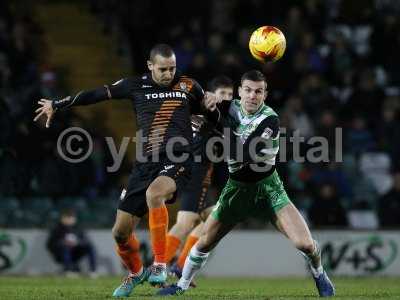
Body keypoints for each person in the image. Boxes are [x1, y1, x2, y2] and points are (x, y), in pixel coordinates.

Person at [34, 44, 218, 297]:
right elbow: (98, 94)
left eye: (172, 68)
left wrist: (214, 103)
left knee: (155, 194)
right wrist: (58, 104)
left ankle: (160, 265)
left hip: (178, 158)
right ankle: (136, 272)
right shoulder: (135, 85)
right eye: (163, 69)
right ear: (150, 66)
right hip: (145, 164)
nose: (168, 74)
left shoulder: (188, 86)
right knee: (120, 233)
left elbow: (213, 113)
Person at [158, 70, 335, 297]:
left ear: (265, 94)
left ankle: (320, 273)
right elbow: (194, 109)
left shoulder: (269, 119)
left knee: (306, 245)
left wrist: (215, 129)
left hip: (269, 189)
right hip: (236, 190)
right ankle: (180, 286)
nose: (253, 96)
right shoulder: (229, 107)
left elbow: (245, 153)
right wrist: (197, 106)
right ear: (239, 92)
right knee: (204, 243)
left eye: (258, 91)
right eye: (248, 90)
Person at [165, 76, 233, 281]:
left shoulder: (211, 113)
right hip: (195, 169)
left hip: (201, 170)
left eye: (231, 94)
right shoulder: (212, 114)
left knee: (214, 218)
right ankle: (157, 266)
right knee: (186, 223)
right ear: (212, 95)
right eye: (223, 94)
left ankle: (180, 266)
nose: (227, 98)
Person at [46, 209, 97, 277]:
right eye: (67, 217)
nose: (69, 220)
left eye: (71, 217)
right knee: (65, 247)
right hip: (61, 253)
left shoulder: (78, 228)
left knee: (90, 247)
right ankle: (68, 270)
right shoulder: (57, 229)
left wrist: (77, 243)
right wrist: (63, 243)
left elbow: (85, 241)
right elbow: (50, 244)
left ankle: (92, 271)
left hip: (76, 253)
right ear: (62, 218)